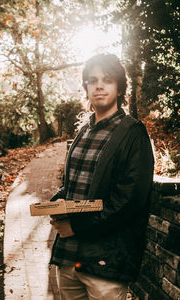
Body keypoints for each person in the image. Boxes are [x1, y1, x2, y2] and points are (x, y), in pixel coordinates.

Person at [49, 53, 154, 300]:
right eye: (92, 80)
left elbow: (128, 202)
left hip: (106, 264)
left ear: (119, 88)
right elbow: (71, 186)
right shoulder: (84, 132)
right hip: (69, 259)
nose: (99, 85)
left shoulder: (132, 134)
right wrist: (55, 203)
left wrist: (75, 226)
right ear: (85, 87)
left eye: (107, 79)